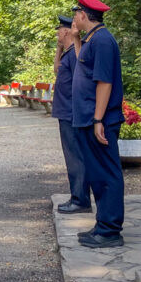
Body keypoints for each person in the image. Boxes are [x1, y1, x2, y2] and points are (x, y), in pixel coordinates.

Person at [71, 0, 125, 248]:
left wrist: (98, 119)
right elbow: (84, 67)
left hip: (100, 120)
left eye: (76, 14)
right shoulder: (92, 39)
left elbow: (105, 82)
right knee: (97, 174)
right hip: (89, 119)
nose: (74, 18)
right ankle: (102, 224)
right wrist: (76, 39)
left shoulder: (102, 40)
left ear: (84, 14)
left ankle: (110, 230)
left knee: (107, 174)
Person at [52, 15, 90, 214]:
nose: (57, 35)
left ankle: (80, 200)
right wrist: (59, 48)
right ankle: (77, 196)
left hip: (71, 113)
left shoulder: (76, 54)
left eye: (59, 31)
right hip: (65, 113)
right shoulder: (68, 53)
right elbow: (56, 70)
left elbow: (82, 81)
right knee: (72, 157)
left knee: (76, 157)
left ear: (66, 31)